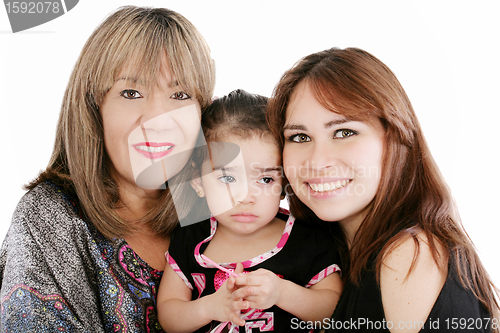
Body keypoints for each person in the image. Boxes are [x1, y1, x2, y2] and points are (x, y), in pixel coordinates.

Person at [0, 6, 215, 332]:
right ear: (92, 109)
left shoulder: (220, 211)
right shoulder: (50, 217)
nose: (156, 121)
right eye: (131, 93)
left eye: (180, 94)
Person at [267, 47, 500, 332]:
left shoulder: (408, 255)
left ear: (396, 136)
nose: (316, 161)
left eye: (344, 132)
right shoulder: (325, 259)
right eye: (300, 137)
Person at [157, 89, 342, 333]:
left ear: (284, 183)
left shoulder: (306, 240)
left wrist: (282, 292)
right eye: (227, 177)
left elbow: (334, 309)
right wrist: (209, 308)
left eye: (265, 180)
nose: (246, 197)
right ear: (198, 181)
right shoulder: (190, 239)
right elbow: (169, 315)